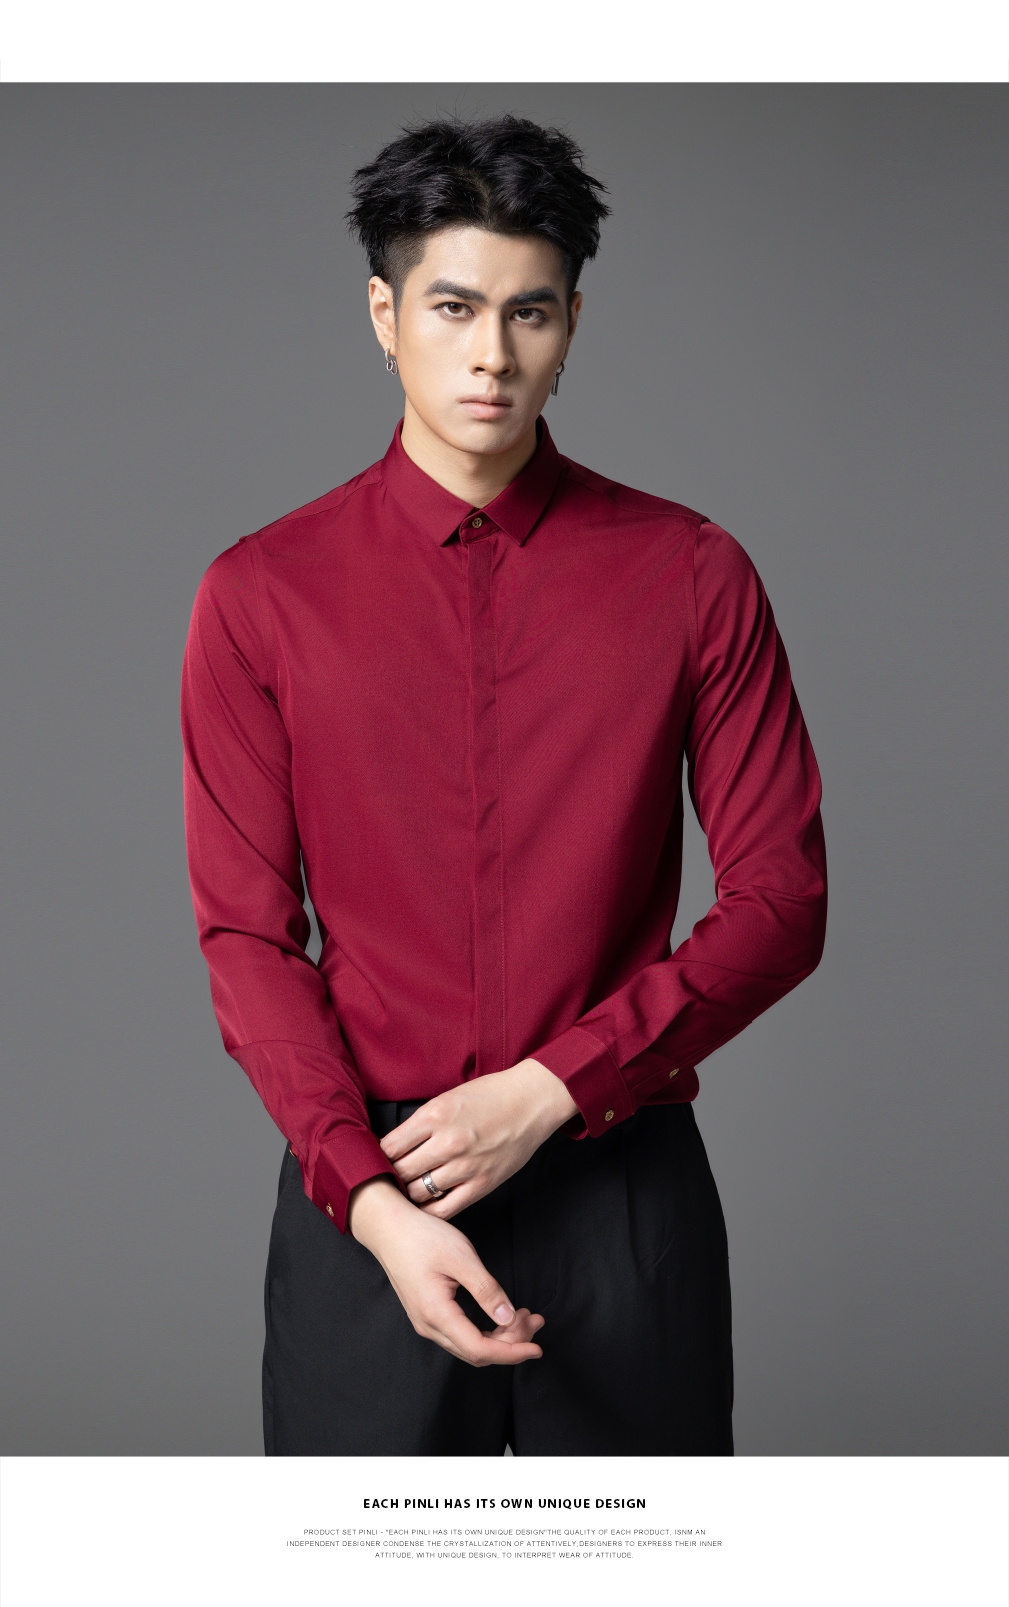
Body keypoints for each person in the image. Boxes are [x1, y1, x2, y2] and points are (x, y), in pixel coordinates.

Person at [180, 115, 827, 1456]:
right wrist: (370, 1203)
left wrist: (551, 1087)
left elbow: (781, 903)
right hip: (375, 1198)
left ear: (573, 321)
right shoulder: (259, 596)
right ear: (384, 314)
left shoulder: (691, 573)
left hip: (619, 1188)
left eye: (528, 311)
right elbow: (248, 938)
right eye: (454, 307)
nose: (491, 355)